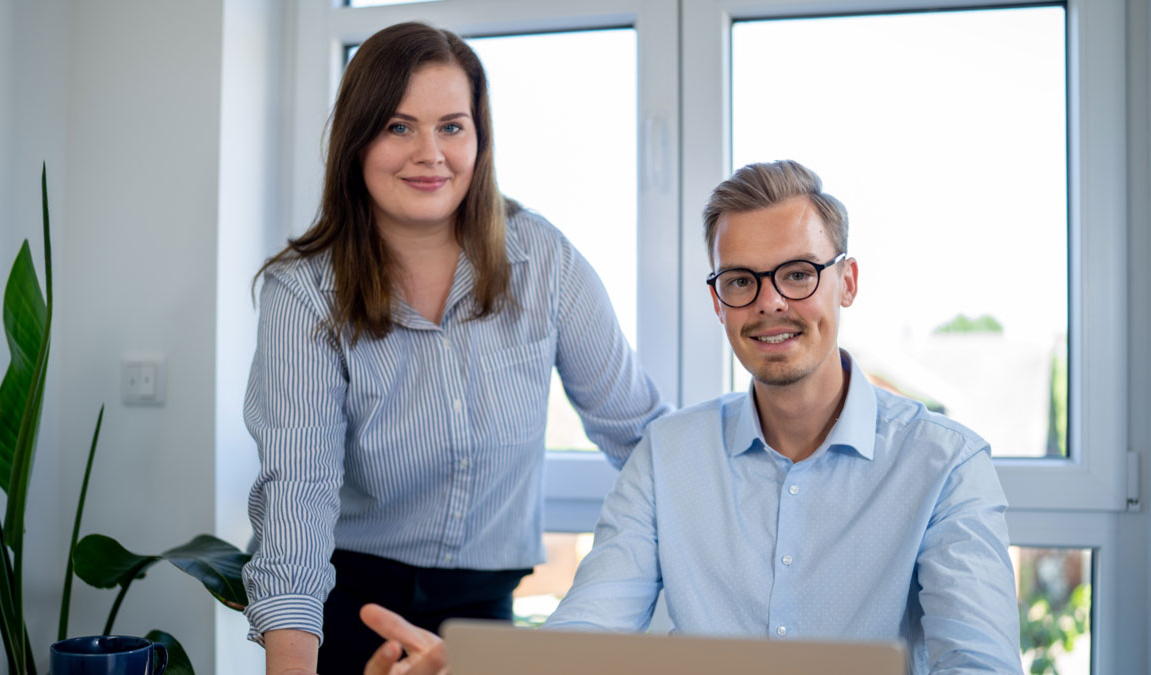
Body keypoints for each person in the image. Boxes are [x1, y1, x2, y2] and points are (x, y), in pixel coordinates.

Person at [362, 160, 1023, 675]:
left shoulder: (946, 465)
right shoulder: (668, 455)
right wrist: (482, 665)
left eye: (797, 273)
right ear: (718, 300)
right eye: (740, 280)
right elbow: (593, 623)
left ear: (846, 281)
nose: (770, 304)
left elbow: (979, 662)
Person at [241, 22, 669, 675]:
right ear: (357, 139)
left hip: (484, 614)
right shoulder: (303, 292)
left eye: (451, 126)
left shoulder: (543, 260)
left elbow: (639, 435)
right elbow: (298, 493)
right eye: (397, 126)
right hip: (354, 612)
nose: (429, 153)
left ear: (480, 140)